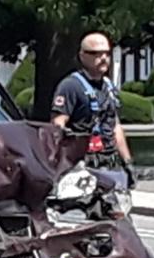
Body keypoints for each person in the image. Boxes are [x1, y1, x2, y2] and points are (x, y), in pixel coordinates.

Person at [50, 32, 134, 182]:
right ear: (82, 56)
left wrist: (127, 162)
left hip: (110, 165)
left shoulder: (108, 87)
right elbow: (57, 125)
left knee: (119, 205)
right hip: (83, 167)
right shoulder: (70, 86)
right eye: (96, 54)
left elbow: (115, 127)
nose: (103, 58)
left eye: (106, 54)